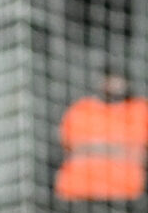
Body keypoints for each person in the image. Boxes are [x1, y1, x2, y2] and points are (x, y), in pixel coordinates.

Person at [54, 72, 148, 201]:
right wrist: (117, 149)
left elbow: (138, 150)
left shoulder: (139, 109)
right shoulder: (82, 109)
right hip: (79, 191)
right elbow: (72, 146)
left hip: (125, 192)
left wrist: (96, 147)